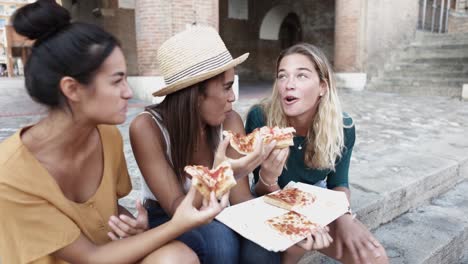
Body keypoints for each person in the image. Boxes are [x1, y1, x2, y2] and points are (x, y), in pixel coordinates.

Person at [0, 1, 228, 263]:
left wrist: (133, 226)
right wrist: (178, 224)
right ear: (72, 89)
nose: (128, 92)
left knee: (177, 257)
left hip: (108, 254)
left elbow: (102, 212)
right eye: (117, 80)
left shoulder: (107, 136)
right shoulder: (10, 176)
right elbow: (91, 257)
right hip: (93, 257)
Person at [128, 27, 332, 264]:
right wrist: (223, 175)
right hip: (169, 216)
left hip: (222, 210)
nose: (233, 97)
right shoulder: (147, 128)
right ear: (195, 93)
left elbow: (241, 199)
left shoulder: (230, 120)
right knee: (220, 240)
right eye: (226, 87)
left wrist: (290, 222)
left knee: (261, 247)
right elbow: (178, 209)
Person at [245, 43, 389, 264]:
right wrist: (269, 177)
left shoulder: (343, 128)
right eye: (282, 76)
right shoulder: (260, 118)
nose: (288, 84)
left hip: (315, 202)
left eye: (301, 76)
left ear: (322, 86)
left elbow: (339, 184)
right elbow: (261, 188)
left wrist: (344, 216)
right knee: (293, 245)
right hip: (271, 200)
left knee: (375, 256)